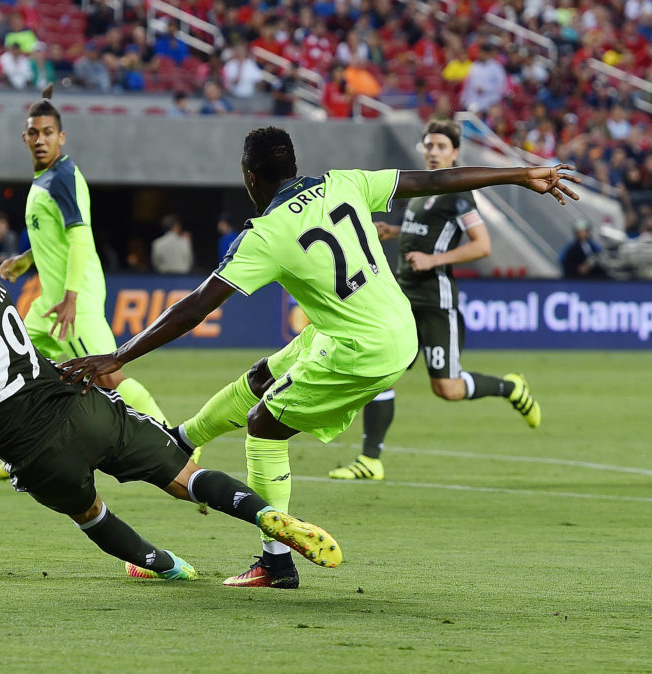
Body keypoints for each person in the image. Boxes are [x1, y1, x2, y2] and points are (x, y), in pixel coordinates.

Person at [61, 126, 580, 589]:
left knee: (264, 426)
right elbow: (430, 180)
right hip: (389, 325)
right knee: (264, 376)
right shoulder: (343, 182)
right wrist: (520, 173)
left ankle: (275, 562)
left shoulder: (264, 235)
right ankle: (184, 439)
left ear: (250, 176)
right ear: (293, 164)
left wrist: (118, 355)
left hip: (362, 346)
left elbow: (194, 307)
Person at [0, 241, 342, 582]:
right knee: (185, 474)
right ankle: (263, 515)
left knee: (89, 512)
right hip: (81, 404)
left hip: (37, 455)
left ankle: (166, 566)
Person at [331, 119, 544, 483]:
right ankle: (371, 460)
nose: (432, 152)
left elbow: (482, 245)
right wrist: (393, 231)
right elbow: (428, 233)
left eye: (441, 146)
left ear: (455, 153)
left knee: (447, 388)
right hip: (403, 296)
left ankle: (511, 387)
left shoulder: (459, 194)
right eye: (428, 145)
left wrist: (434, 261)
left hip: (435, 299)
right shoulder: (420, 191)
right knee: (381, 373)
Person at [0, 91, 171, 480]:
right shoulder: (45, 180)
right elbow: (53, 240)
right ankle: (26, 454)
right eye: (34, 133)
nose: (40, 139)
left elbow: (81, 238)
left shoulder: (64, 177)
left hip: (75, 303)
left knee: (108, 377)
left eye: (48, 132)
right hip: (48, 305)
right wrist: (24, 261)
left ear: (61, 137)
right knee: (20, 370)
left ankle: (176, 445)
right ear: (25, 139)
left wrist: (71, 299)